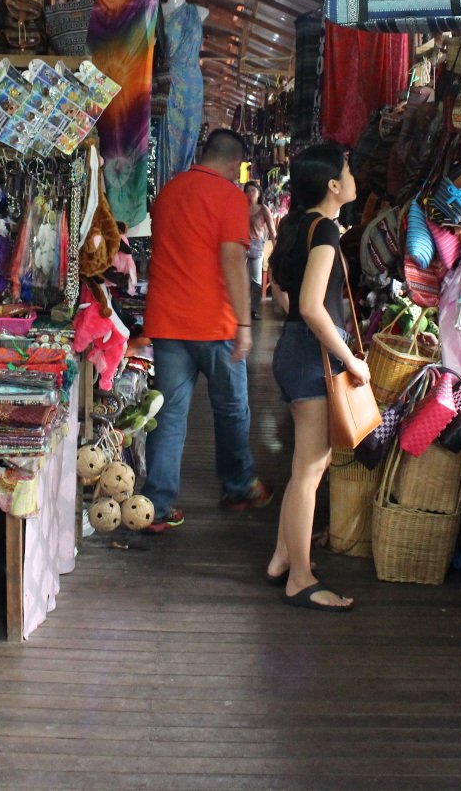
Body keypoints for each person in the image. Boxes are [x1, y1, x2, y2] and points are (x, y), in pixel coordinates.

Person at [140, 128, 272, 533]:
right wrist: (245, 324)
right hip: (215, 324)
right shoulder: (230, 197)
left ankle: (157, 507)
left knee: (170, 415)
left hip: (167, 321)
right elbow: (234, 262)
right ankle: (237, 486)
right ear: (235, 164)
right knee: (232, 409)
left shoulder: (169, 191)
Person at [265, 142, 363, 612]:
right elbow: (309, 306)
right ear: (332, 184)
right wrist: (351, 358)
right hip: (312, 357)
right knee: (309, 471)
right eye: (347, 169)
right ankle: (300, 579)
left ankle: (284, 558)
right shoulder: (323, 229)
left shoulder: (297, 225)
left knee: (308, 467)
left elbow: (283, 294)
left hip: (295, 351)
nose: (352, 175)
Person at [245, 182, 275, 320]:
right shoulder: (240, 207)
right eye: (248, 191)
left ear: (258, 193)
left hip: (257, 246)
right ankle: (240, 307)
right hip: (242, 245)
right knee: (240, 278)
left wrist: (276, 249)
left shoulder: (264, 209)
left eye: (253, 191)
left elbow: (273, 231)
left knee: (256, 280)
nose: (251, 194)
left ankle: (254, 309)